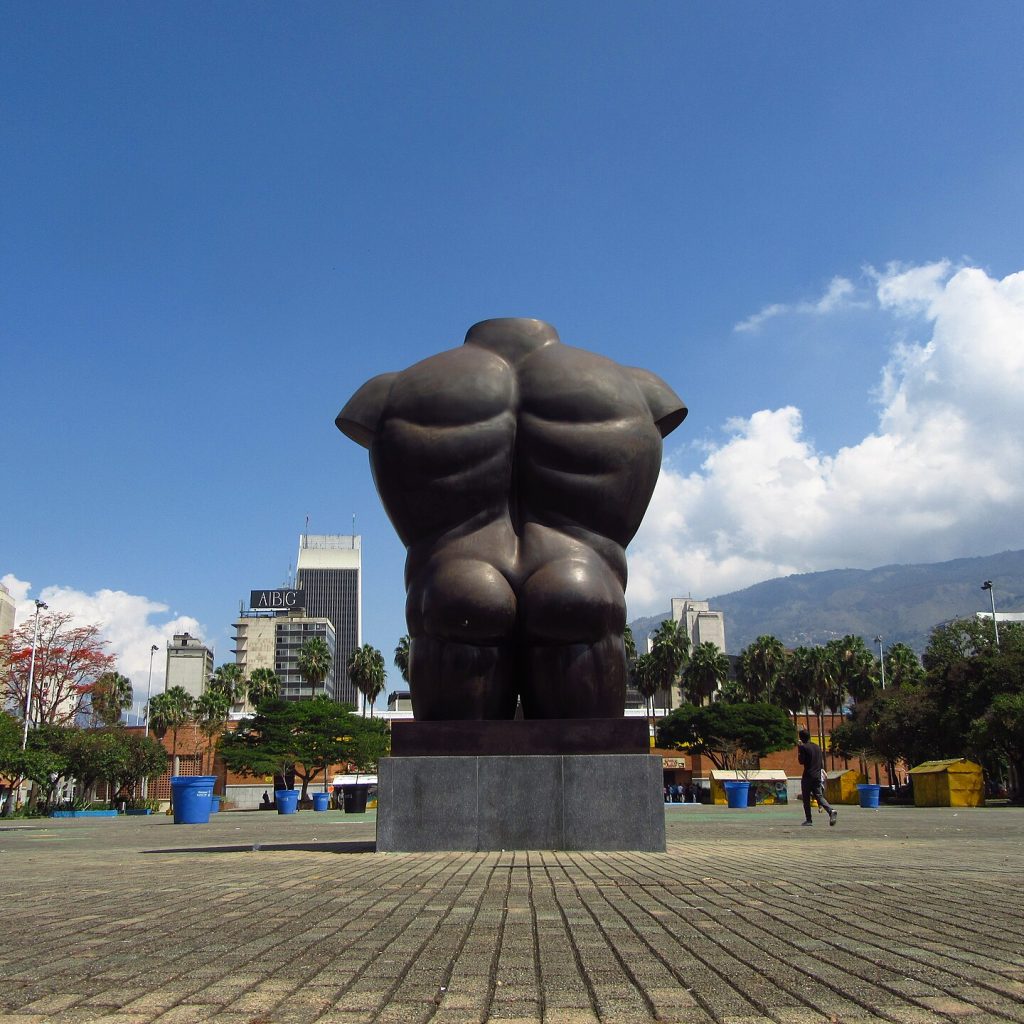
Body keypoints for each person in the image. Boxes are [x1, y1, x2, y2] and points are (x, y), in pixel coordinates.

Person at [797, 728, 837, 827]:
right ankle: (831, 810)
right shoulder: (817, 747)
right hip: (817, 775)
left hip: (808, 775)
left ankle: (809, 820)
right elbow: (820, 761)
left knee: (806, 798)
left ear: (801, 738)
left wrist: (799, 749)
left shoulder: (804, 747)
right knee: (819, 795)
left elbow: (801, 761)